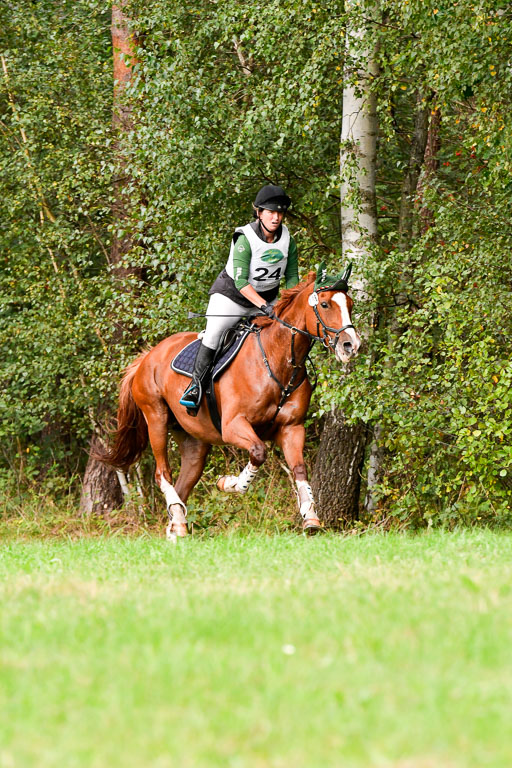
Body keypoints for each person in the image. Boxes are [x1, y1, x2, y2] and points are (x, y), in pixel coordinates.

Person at [179, 184, 300, 414]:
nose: (276, 217)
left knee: (290, 330)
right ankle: (194, 387)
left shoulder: (288, 240)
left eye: (280, 213)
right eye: (270, 212)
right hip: (232, 297)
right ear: (259, 213)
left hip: (267, 300)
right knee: (214, 334)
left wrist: (289, 303)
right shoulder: (245, 239)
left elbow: (292, 277)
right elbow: (241, 283)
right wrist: (265, 307)